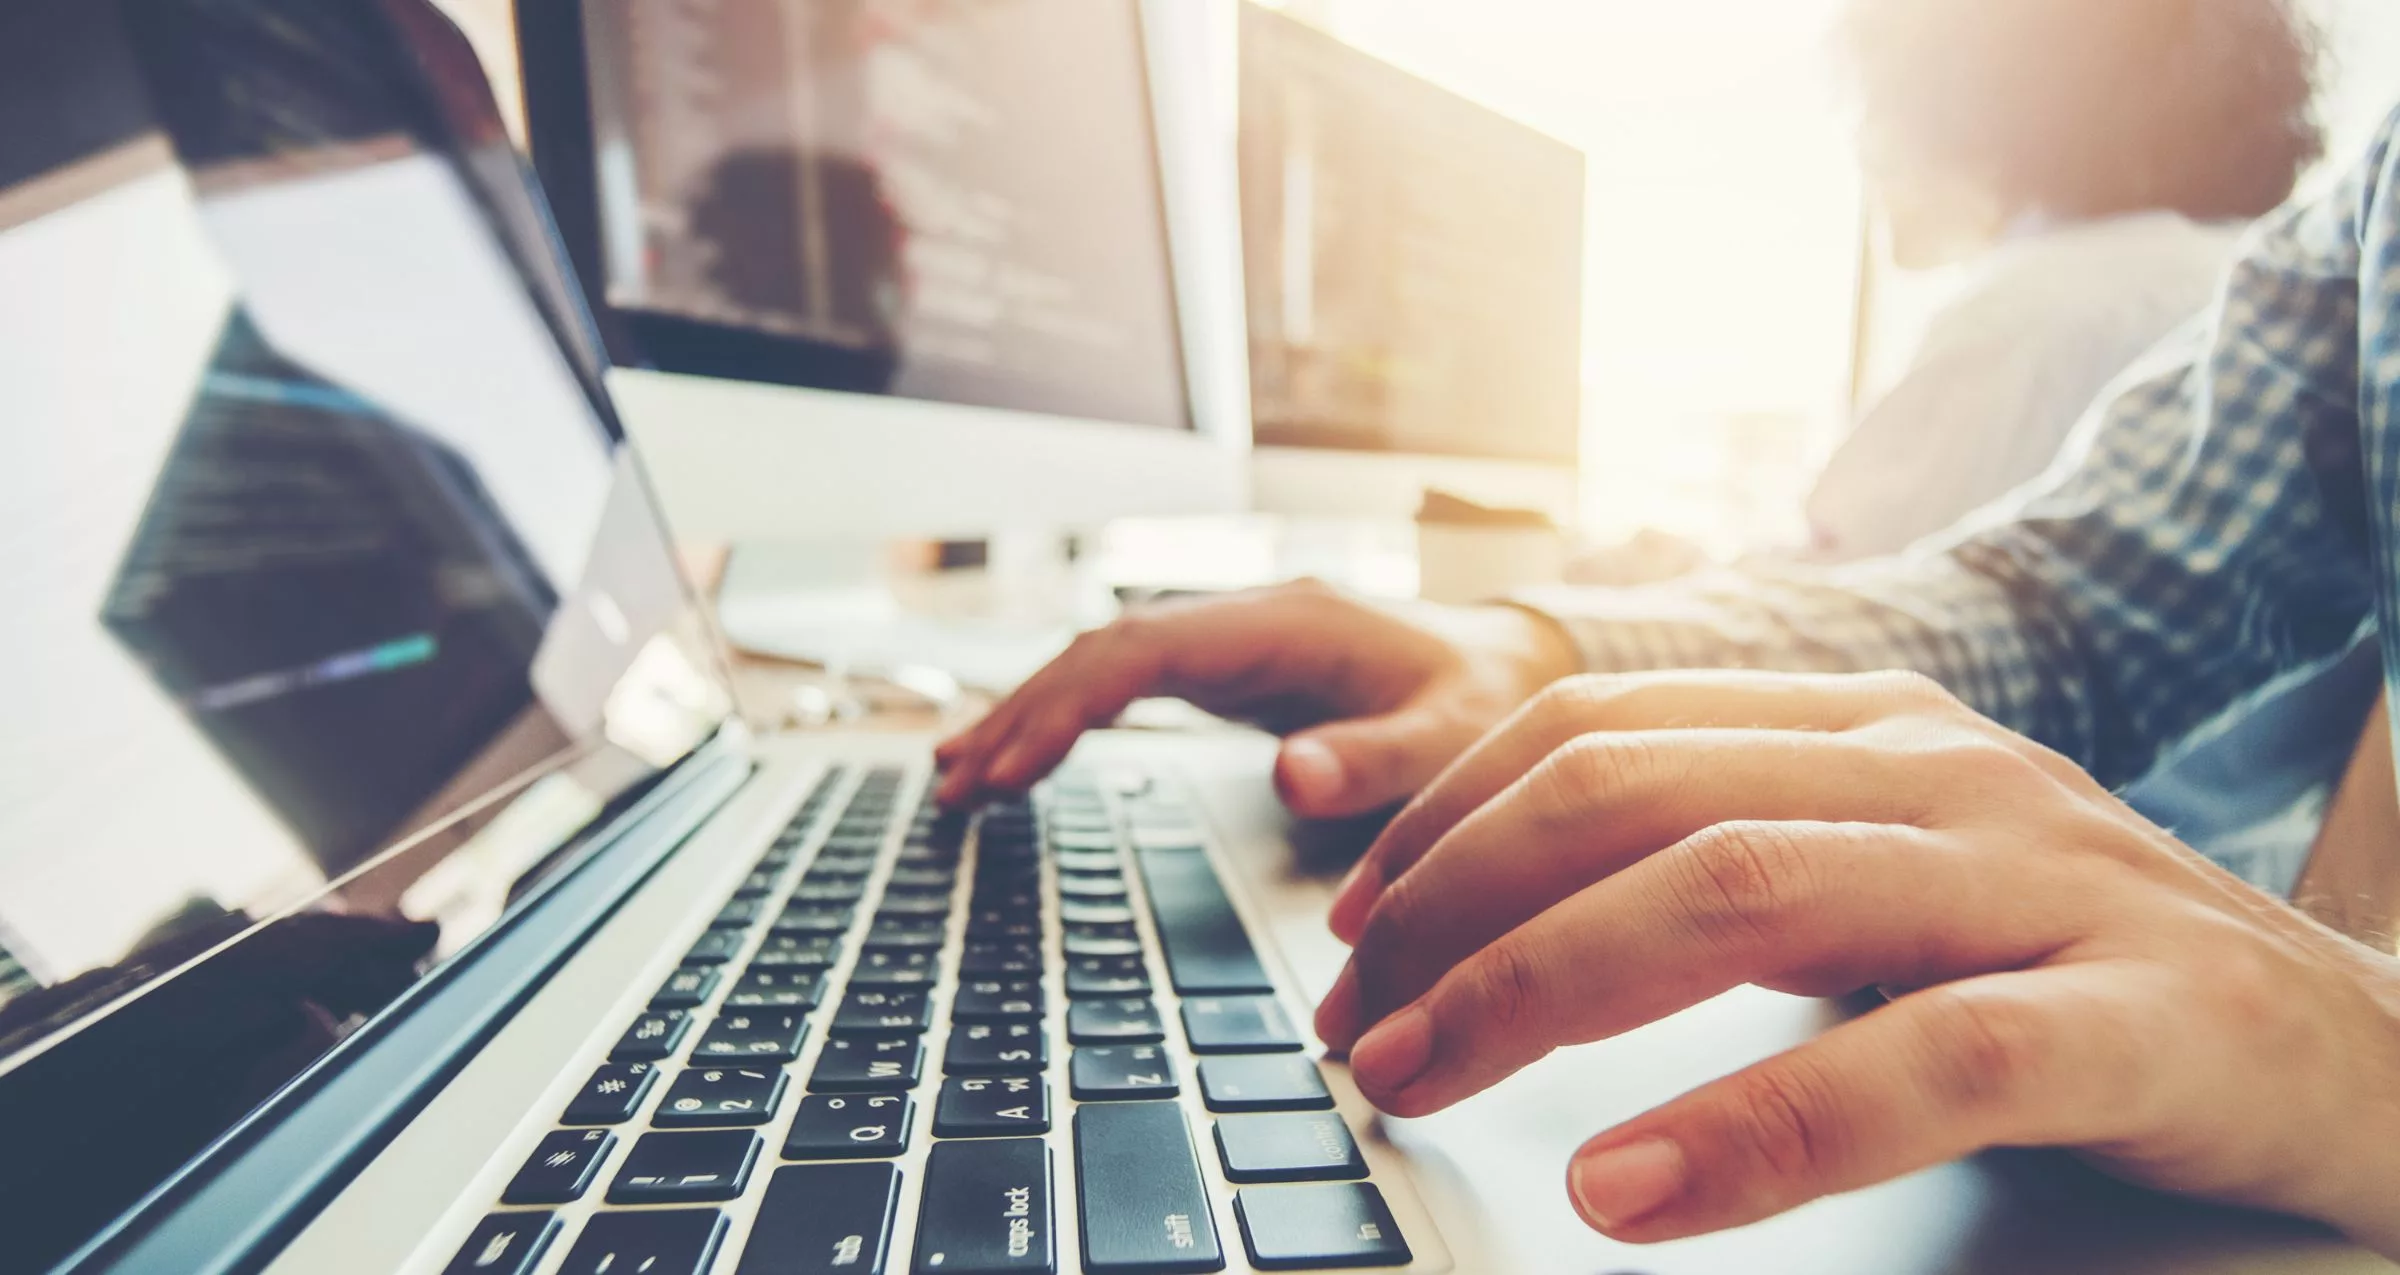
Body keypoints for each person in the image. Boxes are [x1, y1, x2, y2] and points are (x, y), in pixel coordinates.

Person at [934, 107, 2400, 1268]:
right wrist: (1534, 649)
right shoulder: (2362, 215)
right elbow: (2073, 609)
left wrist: (2369, 1041)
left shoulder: (2035, 301)